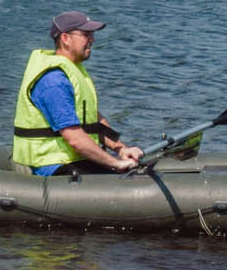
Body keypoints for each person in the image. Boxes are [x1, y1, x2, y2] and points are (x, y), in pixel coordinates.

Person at [11, 10, 142, 176]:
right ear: (65, 38)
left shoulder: (73, 71)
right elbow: (75, 139)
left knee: (133, 173)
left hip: (74, 159)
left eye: (92, 35)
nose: (92, 40)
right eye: (86, 35)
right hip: (51, 166)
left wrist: (121, 149)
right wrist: (115, 163)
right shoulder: (53, 82)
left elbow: (94, 121)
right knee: (123, 179)